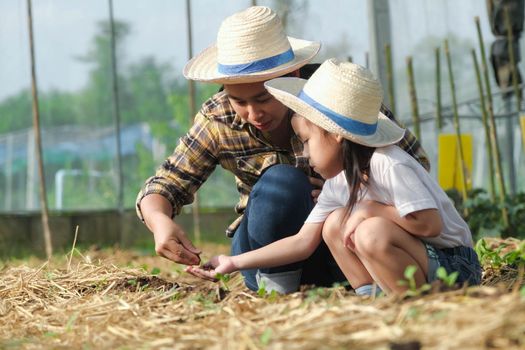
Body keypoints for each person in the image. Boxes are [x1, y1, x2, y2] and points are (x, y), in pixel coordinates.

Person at [136, 6, 430, 294]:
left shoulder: (341, 99)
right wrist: (160, 221)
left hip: (344, 241)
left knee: (335, 219)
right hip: (264, 252)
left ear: (294, 74)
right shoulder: (218, 117)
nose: (253, 113)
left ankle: (363, 286)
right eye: (239, 100)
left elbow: (413, 166)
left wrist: (352, 190)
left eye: (264, 97)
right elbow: (167, 183)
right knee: (282, 183)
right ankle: (276, 292)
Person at [186, 59, 481, 295]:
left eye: (307, 140)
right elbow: (302, 242)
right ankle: (371, 296)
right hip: (414, 261)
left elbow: (430, 225)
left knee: (370, 230)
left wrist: (368, 209)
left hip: (453, 265)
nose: (303, 152)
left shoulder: (388, 163)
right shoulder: (340, 183)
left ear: (337, 136)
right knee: (333, 224)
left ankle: (412, 303)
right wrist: (233, 262)